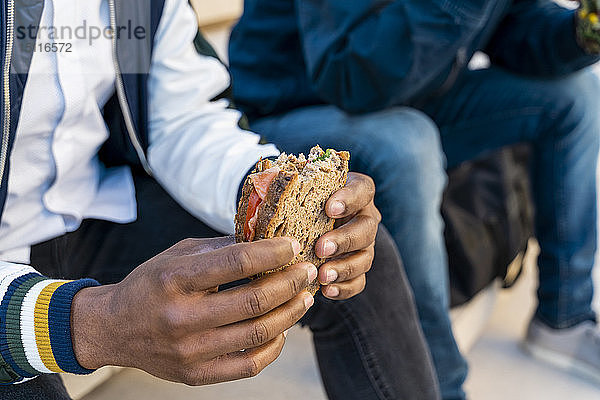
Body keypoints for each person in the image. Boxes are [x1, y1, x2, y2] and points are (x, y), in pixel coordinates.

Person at [0, 0, 440, 399]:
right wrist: (87, 325)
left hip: (91, 211)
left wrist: (271, 191)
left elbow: (179, 117)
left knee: (344, 244)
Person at [228, 0, 600, 398]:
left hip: (407, 93)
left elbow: (517, 32)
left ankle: (563, 317)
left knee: (575, 94)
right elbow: (349, 75)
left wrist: (582, 29)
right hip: (290, 109)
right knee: (408, 145)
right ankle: (439, 385)